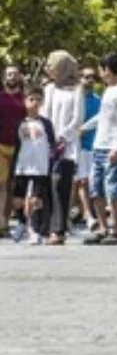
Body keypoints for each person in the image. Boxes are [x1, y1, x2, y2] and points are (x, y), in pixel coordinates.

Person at [81, 54, 117, 246]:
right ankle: (103, 229)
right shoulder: (107, 91)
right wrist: (84, 127)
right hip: (98, 146)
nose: (100, 74)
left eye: (102, 69)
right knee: (96, 189)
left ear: (109, 70)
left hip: (111, 148)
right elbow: (102, 117)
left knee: (112, 190)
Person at [41, 51, 85, 245]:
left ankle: (59, 229)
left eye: (53, 65)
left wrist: (62, 137)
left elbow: (78, 119)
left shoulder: (77, 90)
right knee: (47, 185)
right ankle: (47, 226)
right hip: (47, 144)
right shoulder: (49, 89)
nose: (49, 69)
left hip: (66, 146)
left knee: (61, 185)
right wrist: (48, 135)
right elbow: (45, 114)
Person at [13, 88, 55, 245]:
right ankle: (22, 222)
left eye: (38, 99)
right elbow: (16, 146)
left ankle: (34, 230)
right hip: (22, 166)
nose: (35, 102)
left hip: (40, 167)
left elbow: (52, 144)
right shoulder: (20, 124)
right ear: (25, 101)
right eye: (31, 99)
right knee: (18, 200)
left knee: (35, 200)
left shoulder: (45, 123)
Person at [74, 67, 102, 231]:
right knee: (81, 181)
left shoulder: (98, 100)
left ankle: (88, 212)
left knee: (91, 182)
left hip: (93, 145)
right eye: (86, 77)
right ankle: (87, 214)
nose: (90, 80)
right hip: (77, 146)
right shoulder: (75, 98)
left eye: (93, 77)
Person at [0, 66, 25, 238]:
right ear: (4, 78)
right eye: (9, 74)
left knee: (11, 186)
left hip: (19, 146)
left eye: (15, 74)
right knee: (1, 185)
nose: (12, 77)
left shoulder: (25, 99)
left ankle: (6, 222)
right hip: (0, 145)